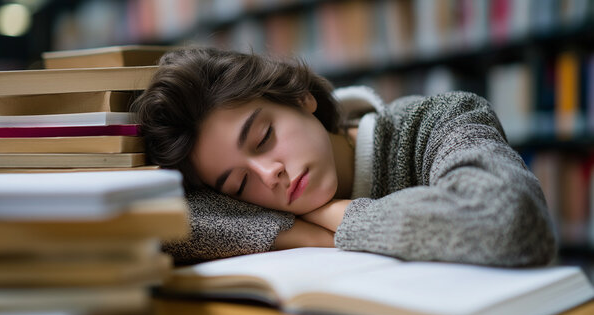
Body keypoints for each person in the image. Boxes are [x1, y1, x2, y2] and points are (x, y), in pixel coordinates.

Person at [132, 47, 557, 266]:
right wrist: (297, 233)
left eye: (263, 138)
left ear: (300, 97)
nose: (270, 174)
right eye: (239, 184)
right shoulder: (273, 205)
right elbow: (150, 225)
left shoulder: (439, 121)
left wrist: (339, 218)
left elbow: (509, 220)